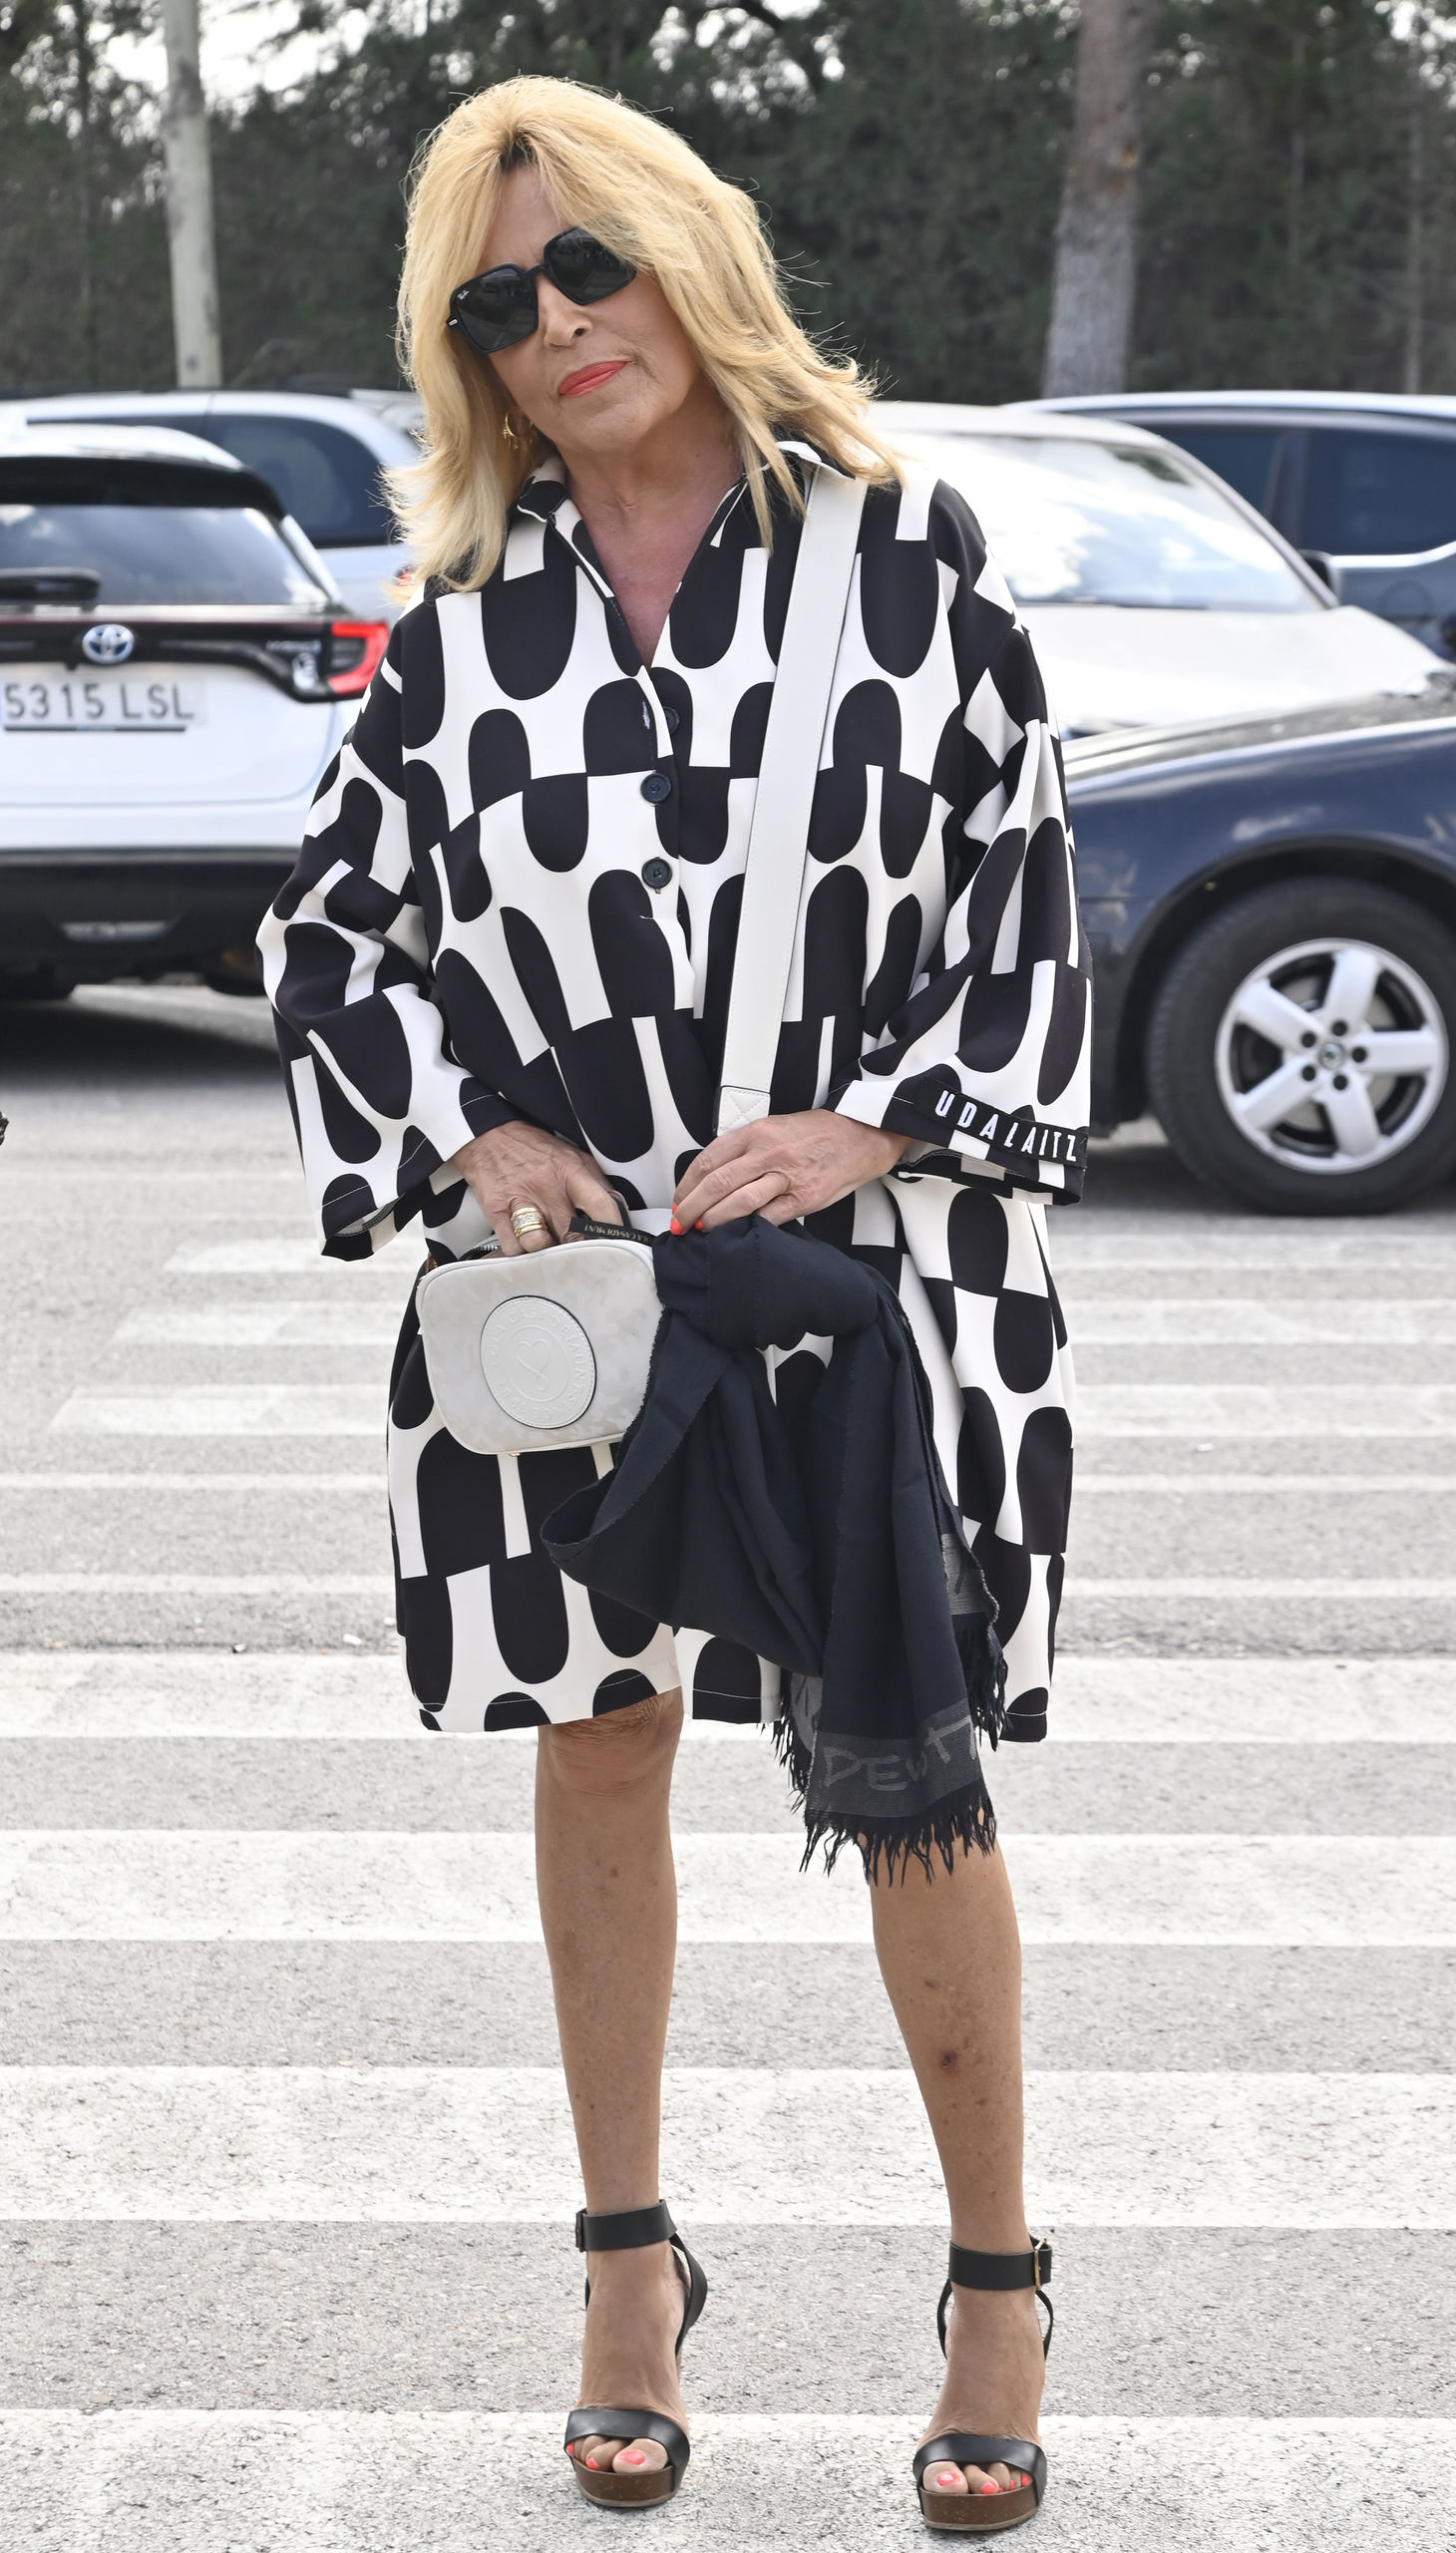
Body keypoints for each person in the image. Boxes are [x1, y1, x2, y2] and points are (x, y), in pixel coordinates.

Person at [258, 73, 1088, 2531]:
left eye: (585, 264)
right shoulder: (458, 627)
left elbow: (1025, 890)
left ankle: (996, 2282)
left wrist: (876, 1121)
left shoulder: (902, 560)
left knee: (904, 1763)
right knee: (598, 1736)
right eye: (492, 302)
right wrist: (468, 1135)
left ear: (688, 255)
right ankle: (628, 2264)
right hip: (580, 1299)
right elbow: (328, 938)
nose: (552, 324)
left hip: (866, 1271)